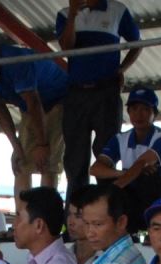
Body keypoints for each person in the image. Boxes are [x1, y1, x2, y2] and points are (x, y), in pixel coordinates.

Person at [0, 28, 69, 193]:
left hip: (59, 98)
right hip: (29, 106)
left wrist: (42, 144)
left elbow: (33, 103)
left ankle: (46, 206)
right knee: (21, 162)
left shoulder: (15, 61)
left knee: (47, 161)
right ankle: (23, 208)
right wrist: (16, 145)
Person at [55, 0, 142, 193]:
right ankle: (76, 207)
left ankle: (106, 203)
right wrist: (73, 14)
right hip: (76, 93)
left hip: (106, 92)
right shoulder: (64, 14)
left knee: (107, 154)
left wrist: (122, 68)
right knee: (75, 157)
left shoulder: (118, 10)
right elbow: (66, 47)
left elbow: (137, 43)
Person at [92, 87, 161, 230]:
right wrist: (121, 173)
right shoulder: (121, 138)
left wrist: (112, 191)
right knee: (107, 178)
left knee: (148, 178)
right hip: (133, 197)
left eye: (145, 109)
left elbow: (141, 163)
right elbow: (95, 169)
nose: (139, 114)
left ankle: (153, 227)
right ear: (128, 112)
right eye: (134, 109)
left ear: (155, 114)